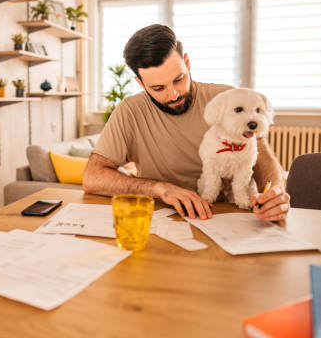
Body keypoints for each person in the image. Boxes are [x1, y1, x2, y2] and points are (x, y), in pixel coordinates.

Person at [83, 24, 290, 221]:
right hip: (167, 221)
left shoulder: (227, 97)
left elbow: (263, 159)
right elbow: (93, 177)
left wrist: (275, 193)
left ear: (187, 63)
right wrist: (159, 188)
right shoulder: (129, 112)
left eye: (179, 79)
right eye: (158, 88)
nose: (173, 95)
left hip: (232, 215)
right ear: (140, 83)